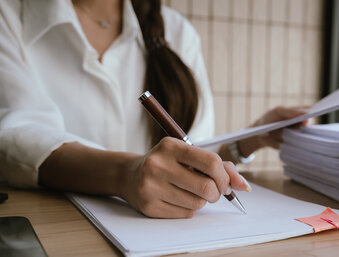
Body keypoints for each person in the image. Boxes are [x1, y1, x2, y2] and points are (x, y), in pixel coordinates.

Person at [0, 0, 306, 218]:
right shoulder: (9, 15)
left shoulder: (177, 33)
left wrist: (251, 139)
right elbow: (15, 138)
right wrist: (124, 174)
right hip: (56, 235)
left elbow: (193, 156)